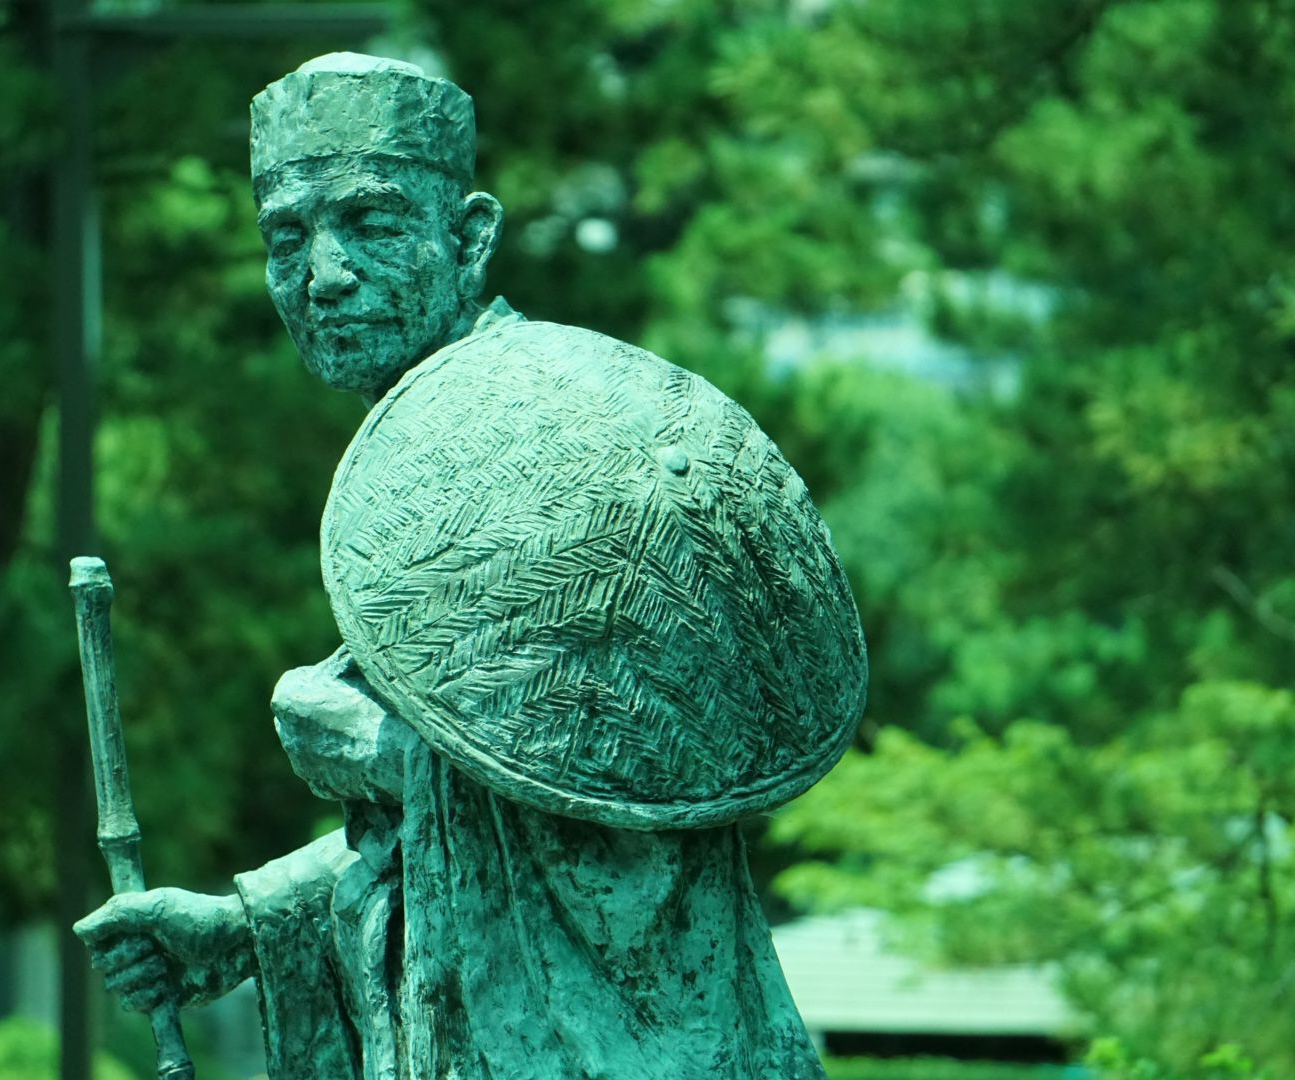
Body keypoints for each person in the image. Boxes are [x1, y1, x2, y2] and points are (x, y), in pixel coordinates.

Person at [75, 53, 832, 1080]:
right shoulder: (425, 469)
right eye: (286, 238)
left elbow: (625, 828)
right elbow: (465, 826)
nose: (324, 274)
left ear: (468, 238)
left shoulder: (565, 447)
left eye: (371, 224)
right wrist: (244, 926)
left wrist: (382, 749)